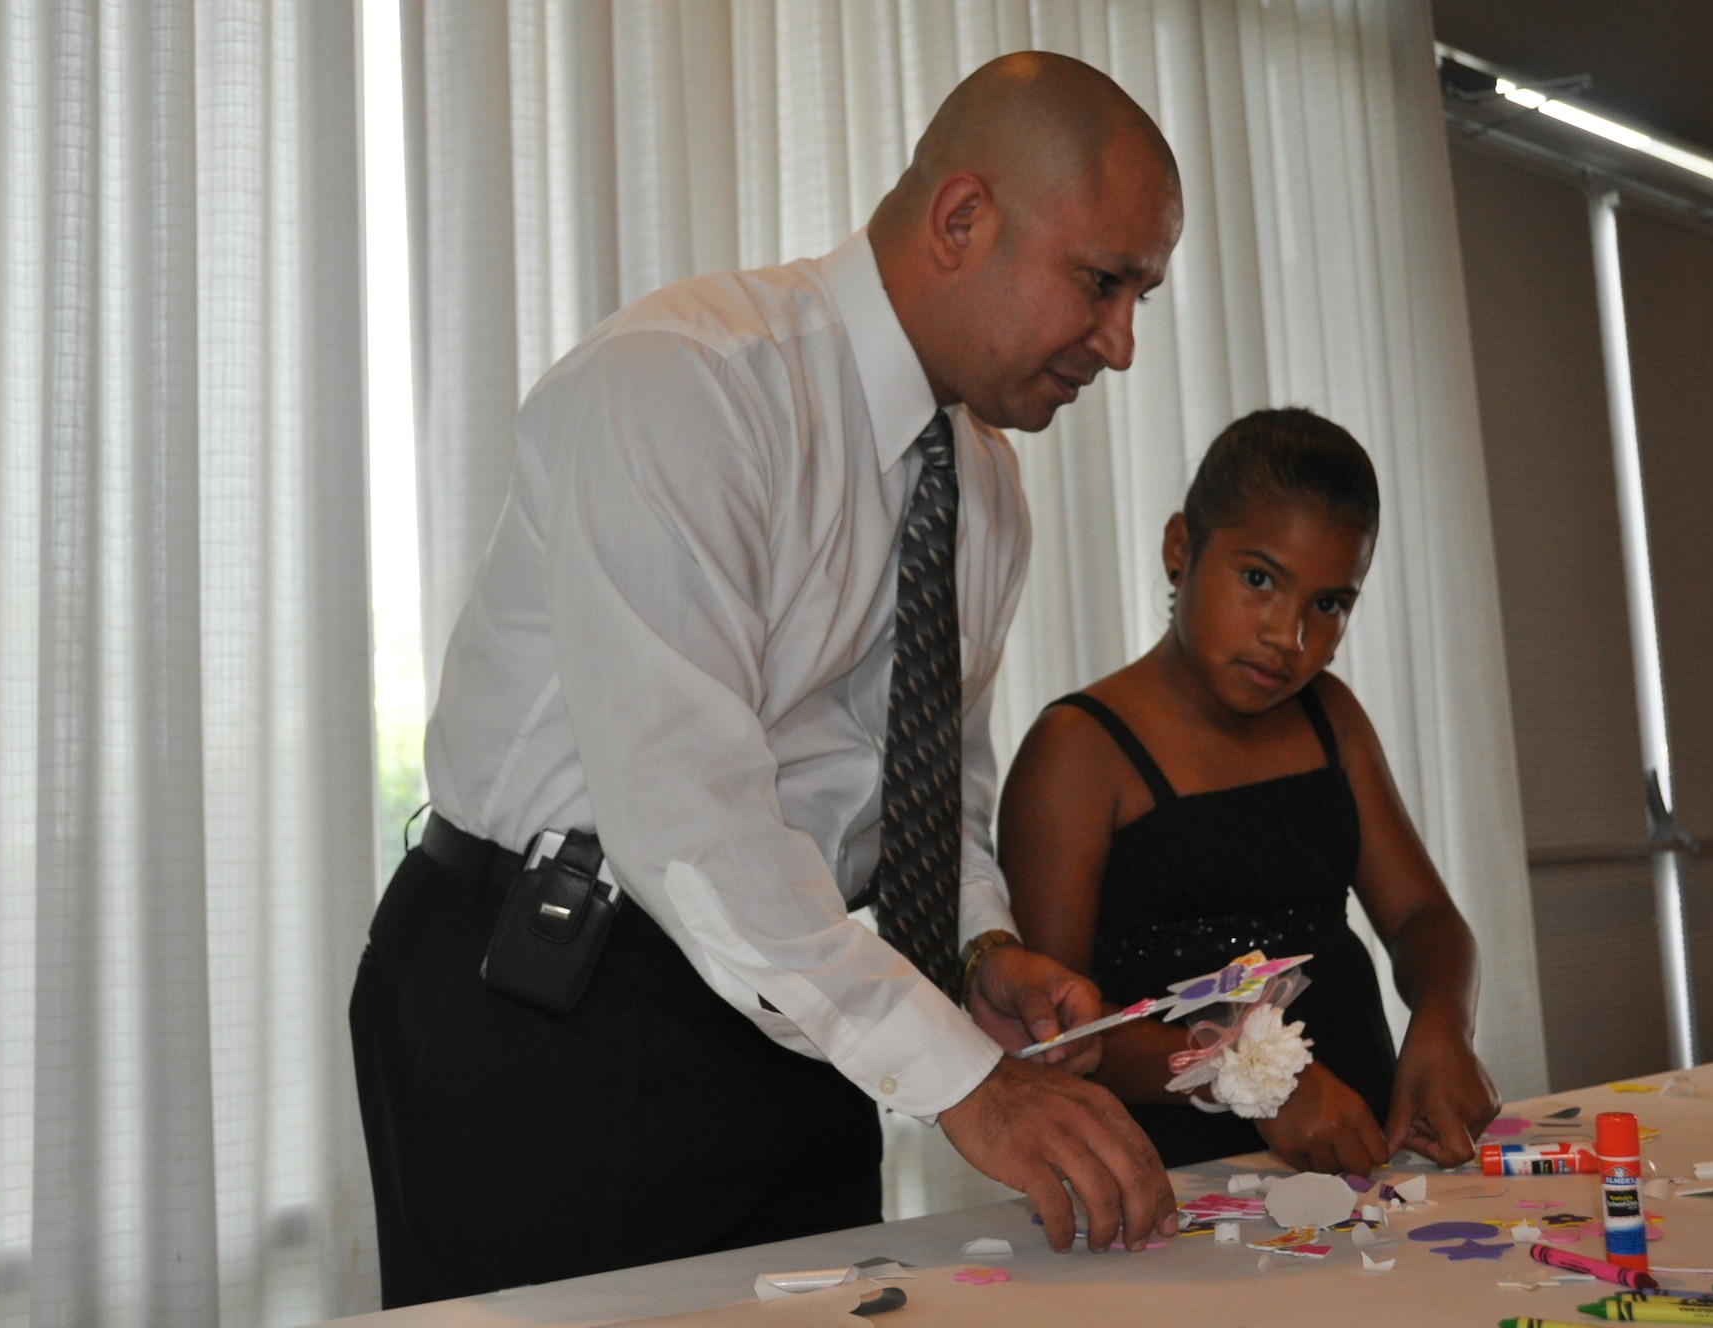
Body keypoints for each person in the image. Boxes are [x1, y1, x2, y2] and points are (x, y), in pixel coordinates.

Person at [350, 52, 1185, 1307]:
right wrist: (964, 1081)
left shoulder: (989, 492)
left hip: (791, 1000)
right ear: (962, 218)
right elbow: (689, 821)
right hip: (547, 1005)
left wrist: (979, 946)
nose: (1120, 344)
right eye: (1102, 281)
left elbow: (926, 789)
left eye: (1142, 297)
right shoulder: (683, 384)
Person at [998, 408, 1501, 1175]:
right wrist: (1252, 1080)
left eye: (1329, 604)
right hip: (1176, 1179)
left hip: (1355, 1149)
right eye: (1259, 580)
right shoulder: (1078, 750)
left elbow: (1425, 917)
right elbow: (1057, 1037)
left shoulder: (1331, 717)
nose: (1289, 636)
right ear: (1180, 548)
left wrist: (1442, 1021)